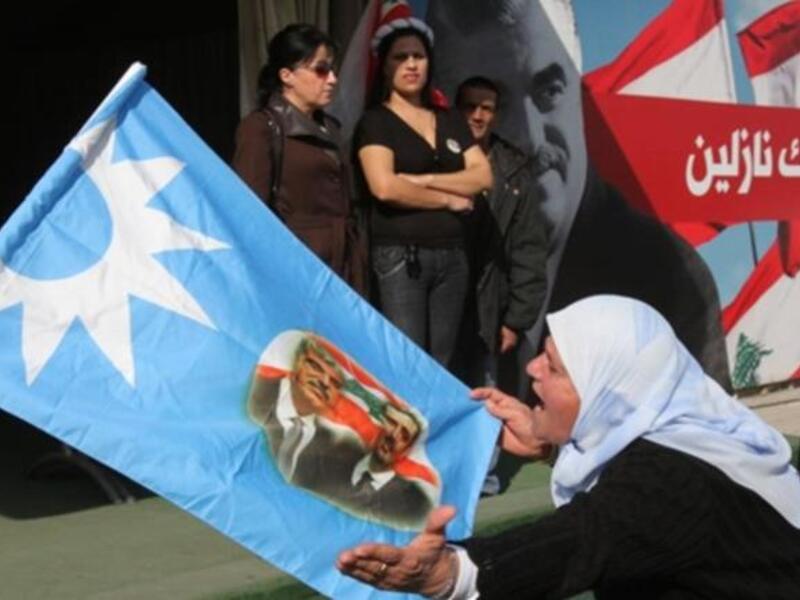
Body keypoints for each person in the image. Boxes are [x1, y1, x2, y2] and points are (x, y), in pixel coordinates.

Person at [336, 295, 800, 598]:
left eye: (555, 368)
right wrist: (552, 443)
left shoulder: (670, 485)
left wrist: (454, 573)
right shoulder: (687, 432)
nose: (533, 369)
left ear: (605, 394)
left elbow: (581, 540)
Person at [428, 0, 732, 394]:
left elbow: (704, 435)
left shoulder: (669, 277)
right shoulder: (436, 254)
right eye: (493, 106)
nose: (533, 138)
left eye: (548, 91)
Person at [353, 15, 493, 370]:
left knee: (442, 362)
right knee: (407, 360)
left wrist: (422, 181)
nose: (411, 64)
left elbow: (482, 176)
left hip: (453, 256)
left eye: (419, 56)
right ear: (384, 67)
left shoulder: (449, 120)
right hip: (401, 257)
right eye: (400, 57)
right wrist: (448, 198)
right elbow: (384, 187)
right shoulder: (376, 121)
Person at [249, 330, 440, 530]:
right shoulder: (260, 405)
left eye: (333, 383)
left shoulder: (329, 452)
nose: (323, 382)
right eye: (315, 367)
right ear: (297, 366)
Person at [233, 24, 367, 295]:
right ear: (287, 75)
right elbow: (249, 211)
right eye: (320, 69)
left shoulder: (332, 127)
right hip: (297, 270)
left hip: (345, 268)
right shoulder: (262, 127)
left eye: (332, 69)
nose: (331, 79)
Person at [454, 75, 547, 387]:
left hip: (489, 311)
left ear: (496, 114)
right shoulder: (436, 158)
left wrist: (515, 321)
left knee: (482, 400)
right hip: (441, 301)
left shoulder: (515, 171)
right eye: (470, 107)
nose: (477, 116)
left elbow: (528, 250)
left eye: (486, 108)